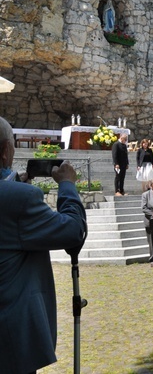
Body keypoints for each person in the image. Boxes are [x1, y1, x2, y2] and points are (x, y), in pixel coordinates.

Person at [0, 116, 87, 373]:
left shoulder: (14, 195)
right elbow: (73, 231)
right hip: (9, 339)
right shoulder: (19, 199)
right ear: (5, 151)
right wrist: (68, 185)